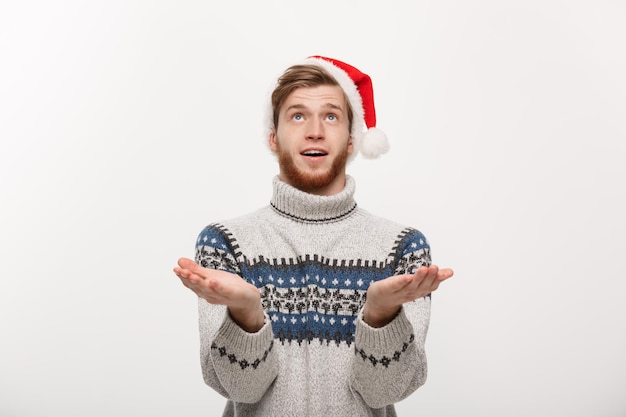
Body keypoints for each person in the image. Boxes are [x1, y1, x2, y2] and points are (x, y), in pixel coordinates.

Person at [173, 55, 454, 417]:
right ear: (273, 137)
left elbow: (385, 389)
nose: (315, 130)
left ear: (352, 140)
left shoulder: (401, 247)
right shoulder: (226, 243)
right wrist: (247, 313)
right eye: (298, 115)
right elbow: (240, 387)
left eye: (332, 116)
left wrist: (381, 315)